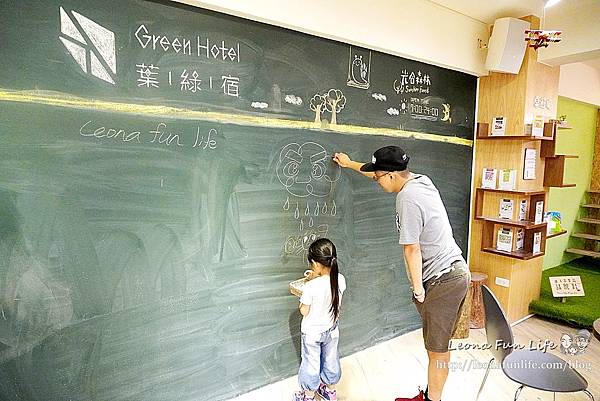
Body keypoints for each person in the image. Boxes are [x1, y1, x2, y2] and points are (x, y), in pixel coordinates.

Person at [333, 146, 470, 401]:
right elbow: (372, 170)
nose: (376, 182)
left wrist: (418, 292)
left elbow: (411, 249)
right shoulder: (420, 180)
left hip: (443, 280)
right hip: (452, 273)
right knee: (436, 347)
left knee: (438, 350)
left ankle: (433, 400)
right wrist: (350, 164)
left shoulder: (406, 198)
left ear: (392, 175)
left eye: (378, 178)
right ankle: (431, 395)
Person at [293, 238, 347, 401]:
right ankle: (330, 392)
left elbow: (304, 310)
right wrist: (314, 277)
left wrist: (303, 295)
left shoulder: (310, 288)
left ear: (316, 264)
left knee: (311, 364)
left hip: (312, 334)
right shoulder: (340, 280)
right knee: (331, 360)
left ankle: (308, 396)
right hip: (331, 330)